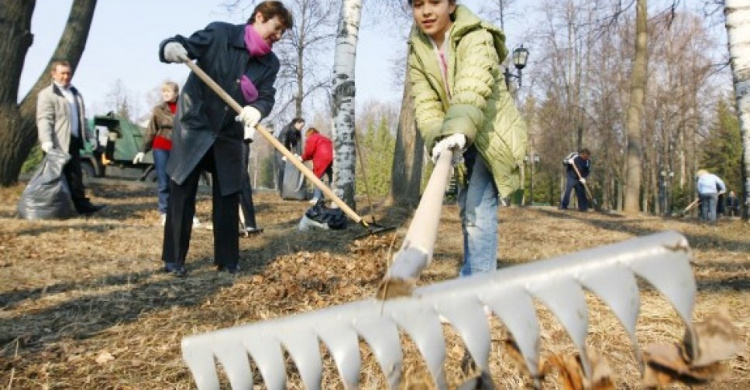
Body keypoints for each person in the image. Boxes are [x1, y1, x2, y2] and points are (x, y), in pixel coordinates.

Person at [158, 1, 292, 276]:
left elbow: (266, 95)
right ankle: (174, 260)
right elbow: (184, 44)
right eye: (276, 28)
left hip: (229, 132)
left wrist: (257, 108)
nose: (278, 36)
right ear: (259, 17)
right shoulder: (220, 34)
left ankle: (227, 260)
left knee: (229, 193)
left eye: (282, 33)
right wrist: (169, 48)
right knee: (182, 190)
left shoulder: (270, 63)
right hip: (195, 125)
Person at [406, 0, 528, 277]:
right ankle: (472, 274)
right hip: (459, 137)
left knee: (478, 209)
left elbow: (472, 85)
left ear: (451, 5)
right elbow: (426, 104)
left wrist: (456, 130)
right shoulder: (418, 50)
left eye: (435, 2)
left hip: (491, 133)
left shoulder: (475, 36)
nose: (426, 11)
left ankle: (478, 289)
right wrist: (439, 138)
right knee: (466, 209)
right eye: (417, 5)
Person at [37, 60, 105, 215]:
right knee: (53, 178)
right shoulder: (47, 94)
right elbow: (44, 119)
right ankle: (49, 208)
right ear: (54, 74)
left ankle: (82, 206)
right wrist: (46, 140)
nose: (66, 77)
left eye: (69, 73)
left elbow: (82, 118)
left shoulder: (75, 93)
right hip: (56, 143)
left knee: (75, 176)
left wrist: (91, 137)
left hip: (73, 141)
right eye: (63, 73)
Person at [133, 81, 200, 227]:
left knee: (182, 182)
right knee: (164, 182)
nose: (165, 94)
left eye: (168, 91)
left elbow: (192, 128)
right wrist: (142, 150)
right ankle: (165, 213)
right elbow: (151, 130)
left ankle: (189, 215)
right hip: (161, 147)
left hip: (180, 149)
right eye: (164, 92)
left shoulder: (185, 107)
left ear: (176, 93)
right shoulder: (158, 110)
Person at [300, 127, 333, 205]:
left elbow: (309, 152)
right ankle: (336, 197)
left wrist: (302, 158)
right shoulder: (324, 138)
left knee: (317, 178)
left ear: (308, 133)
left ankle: (317, 197)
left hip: (321, 159)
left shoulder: (312, 138)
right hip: (332, 158)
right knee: (332, 178)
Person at [275, 118, 305, 195]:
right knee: (282, 169)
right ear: (296, 123)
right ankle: (282, 191)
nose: (302, 127)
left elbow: (297, 144)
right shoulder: (286, 129)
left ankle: (289, 189)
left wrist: (298, 156)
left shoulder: (298, 132)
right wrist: (284, 154)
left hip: (287, 150)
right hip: (280, 150)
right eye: (301, 125)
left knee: (289, 169)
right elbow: (283, 141)